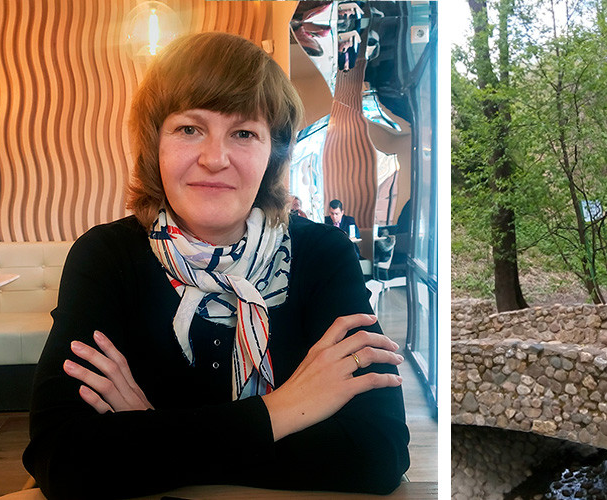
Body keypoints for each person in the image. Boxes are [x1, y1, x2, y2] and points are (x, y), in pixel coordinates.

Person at [22, 32, 409, 500]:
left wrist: (148, 435)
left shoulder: (324, 254)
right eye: (189, 129)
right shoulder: (106, 257)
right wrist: (283, 410)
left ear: (273, 154)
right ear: (155, 145)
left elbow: (379, 453)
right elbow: (62, 458)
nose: (214, 158)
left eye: (244, 133)